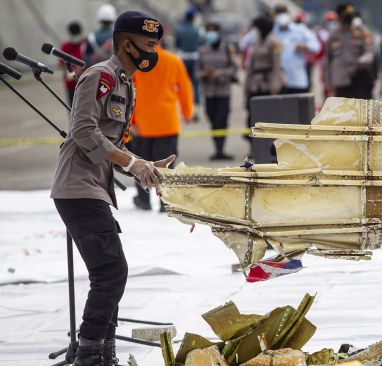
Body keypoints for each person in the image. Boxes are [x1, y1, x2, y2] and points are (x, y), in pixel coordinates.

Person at [50, 11, 170, 365]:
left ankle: (105, 354)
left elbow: (109, 140)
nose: (153, 52)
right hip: (76, 187)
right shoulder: (100, 76)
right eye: (149, 45)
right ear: (127, 45)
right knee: (111, 272)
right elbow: (83, 131)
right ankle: (90, 353)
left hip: (94, 187)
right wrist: (132, 163)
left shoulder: (126, 83)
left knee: (110, 272)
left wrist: (142, 166)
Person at [131, 42, 194, 211]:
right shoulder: (173, 60)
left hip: (143, 122)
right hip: (167, 122)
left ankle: (144, 199)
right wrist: (187, 111)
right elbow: (185, 87)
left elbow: (130, 90)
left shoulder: (137, 63)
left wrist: (130, 121)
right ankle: (165, 202)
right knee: (166, 166)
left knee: (140, 164)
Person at [198, 20, 238, 161]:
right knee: (212, 120)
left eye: (214, 31)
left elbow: (234, 68)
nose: (211, 34)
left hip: (223, 92)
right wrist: (205, 74)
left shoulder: (227, 49)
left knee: (222, 120)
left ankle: (221, 149)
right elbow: (197, 72)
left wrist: (219, 74)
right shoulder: (202, 51)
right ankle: (217, 147)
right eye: (209, 31)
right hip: (209, 93)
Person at [326, 4, 375, 99]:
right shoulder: (333, 36)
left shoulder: (361, 32)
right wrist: (329, 83)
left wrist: (360, 61)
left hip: (359, 78)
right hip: (341, 80)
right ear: (339, 17)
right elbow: (328, 60)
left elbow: (369, 52)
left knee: (362, 110)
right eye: (345, 16)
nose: (348, 20)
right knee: (344, 111)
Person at [244, 16, 283, 138]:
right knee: (253, 114)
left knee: (268, 115)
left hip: (268, 82)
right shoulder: (255, 41)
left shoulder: (274, 42)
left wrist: (274, 86)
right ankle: (253, 144)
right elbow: (251, 64)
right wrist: (247, 84)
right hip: (255, 82)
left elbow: (276, 66)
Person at [273, 6, 321, 94]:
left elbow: (316, 46)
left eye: (283, 13)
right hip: (279, 82)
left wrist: (305, 46)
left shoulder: (300, 29)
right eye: (278, 13)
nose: (281, 16)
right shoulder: (272, 31)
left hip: (298, 80)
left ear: (289, 14)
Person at [175, 7, 202, 118]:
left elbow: (177, 44)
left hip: (184, 58)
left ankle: (185, 110)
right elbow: (200, 43)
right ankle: (196, 110)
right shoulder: (197, 30)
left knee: (183, 83)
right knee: (195, 84)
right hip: (195, 58)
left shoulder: (180, 30)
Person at [60, 21, 85, 105]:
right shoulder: (65, 46)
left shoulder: (85, 44)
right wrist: (70, 74)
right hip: (71, 85)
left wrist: (78, 72)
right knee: (72, 108)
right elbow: (62, 64)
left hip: (85, 82)